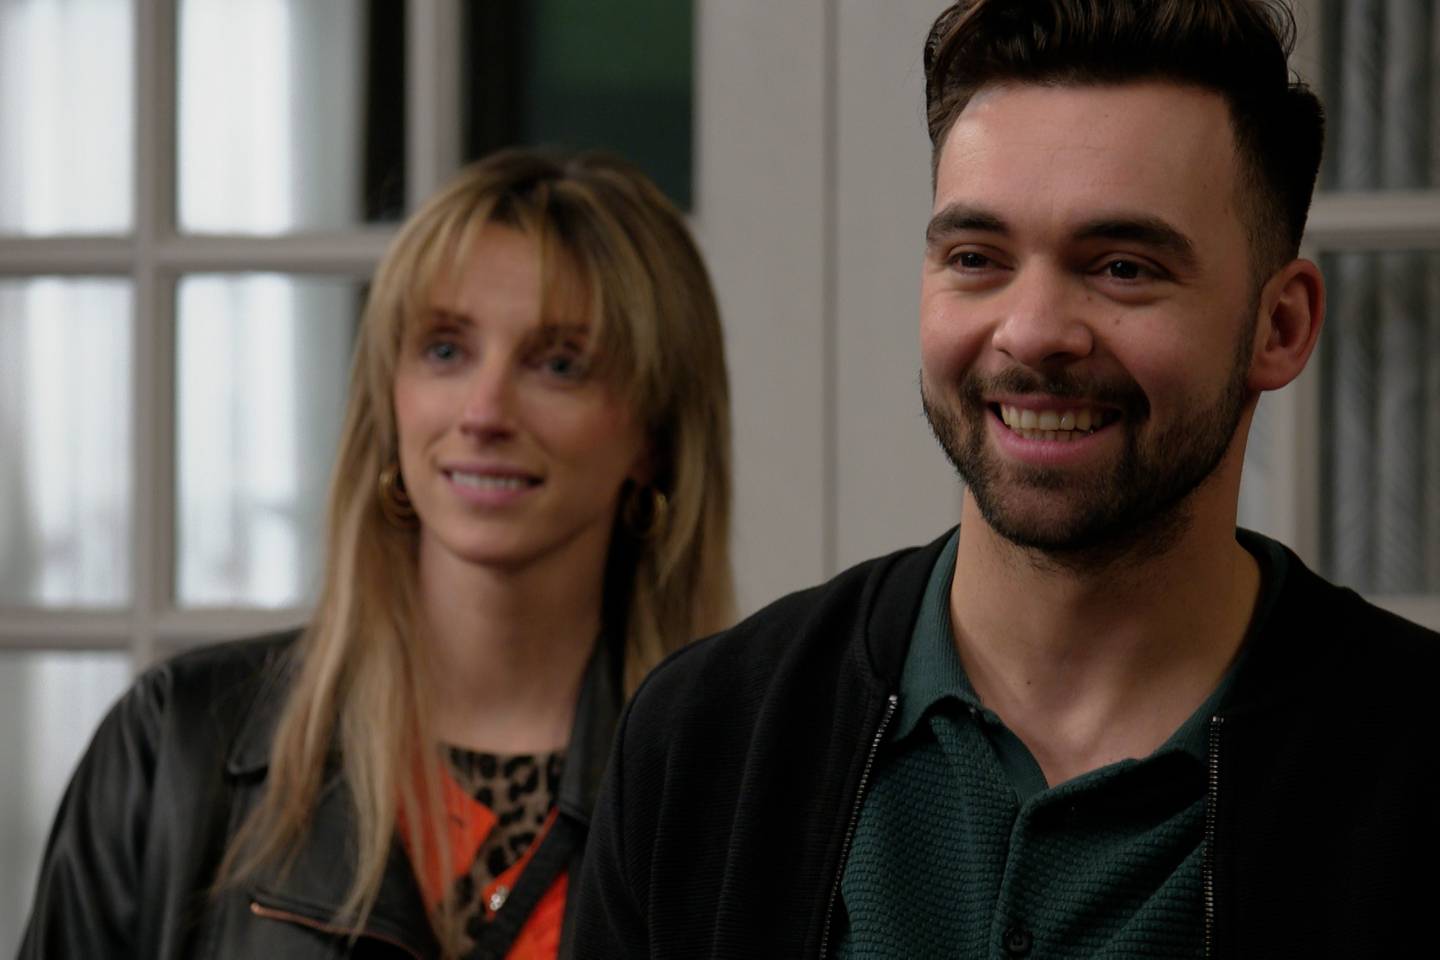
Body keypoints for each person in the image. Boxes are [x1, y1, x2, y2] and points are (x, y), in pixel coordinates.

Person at [571, 2, 1440, 957]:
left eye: (1122, 267)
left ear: (1282, 326)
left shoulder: (1416, 770)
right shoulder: (707, 741)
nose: (1030, 333)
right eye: (976, 259)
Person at [20, 148, 734, 959]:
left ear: (654, 434)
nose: (484, 412)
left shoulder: (733, 790)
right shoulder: (172, 751)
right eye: (445, 350)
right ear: (389, 399)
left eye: (559, 363)